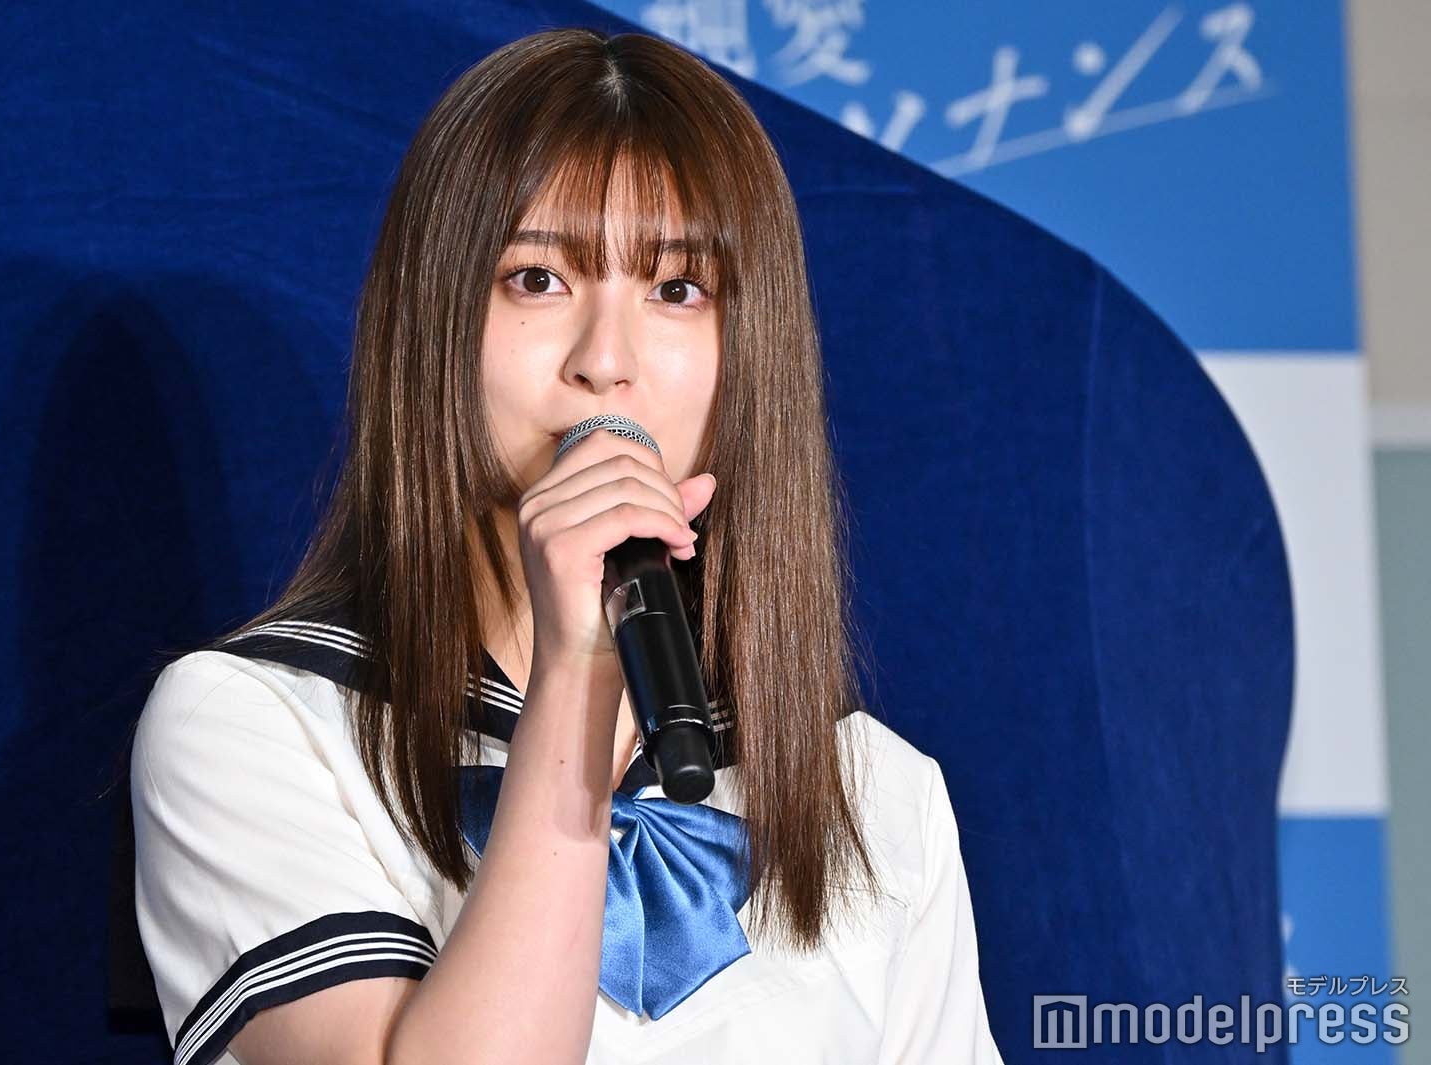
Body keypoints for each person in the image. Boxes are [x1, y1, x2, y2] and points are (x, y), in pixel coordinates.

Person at [130, 26, 1004, 1065]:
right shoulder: (259, 725)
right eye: (538, 279)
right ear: (433, 320)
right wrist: (582, 668)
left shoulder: (876, 792)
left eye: (675, 290)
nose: (605, 360)